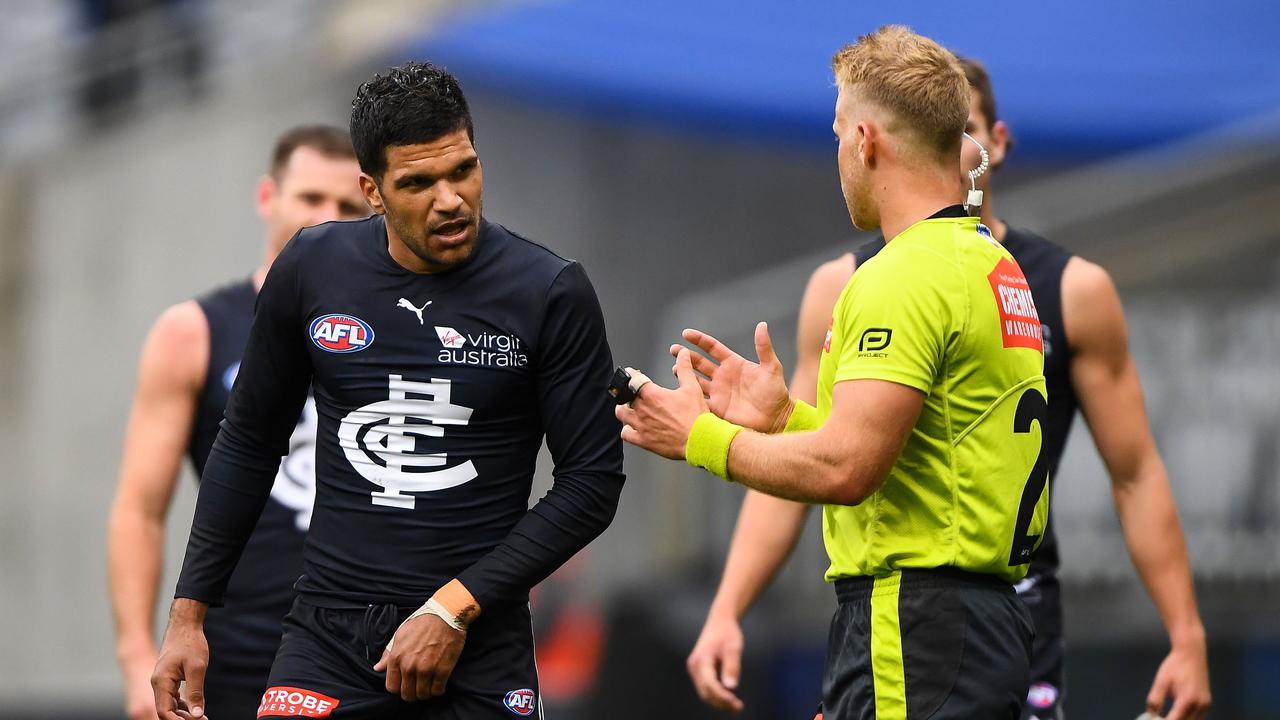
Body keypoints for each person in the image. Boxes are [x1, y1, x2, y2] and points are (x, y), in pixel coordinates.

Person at [683, 57, 1212, 720]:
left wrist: (1187, 635)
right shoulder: (906, 278)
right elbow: (823, 452)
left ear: (995, 142)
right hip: (948, 618)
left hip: (960, 611)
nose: (954, 142)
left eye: (965, 126)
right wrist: (728, 607)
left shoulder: (1058, 285)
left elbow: (1135, 472)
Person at [151, 61, 625, 720]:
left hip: (478, 642)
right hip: (328, 639)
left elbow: (592, 483)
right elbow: (249, 443)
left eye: (463, 169)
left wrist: (454, 606)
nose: (450, 199)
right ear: (372, 192)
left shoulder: (548, 290)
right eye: (418, 183)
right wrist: (187, 616)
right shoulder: (312, 269)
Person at [620, 26, 1049, 718]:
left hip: (914, 625)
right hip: (974, 626)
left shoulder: (900, 276)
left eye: (837, 132)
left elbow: (846, 470)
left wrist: (697, 438)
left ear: (866, 140)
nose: (839, 153)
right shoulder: (991, 264)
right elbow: (924, 454)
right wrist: (788, 420)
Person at [107, 124, 367, 720]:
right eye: (310, 198)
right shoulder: (193, 333)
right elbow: (138, 511)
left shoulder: (403, 330)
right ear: (267, 197)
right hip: (237, 655)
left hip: (376, 649)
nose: (327, 217)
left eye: (348, 205)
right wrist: (136, 658)